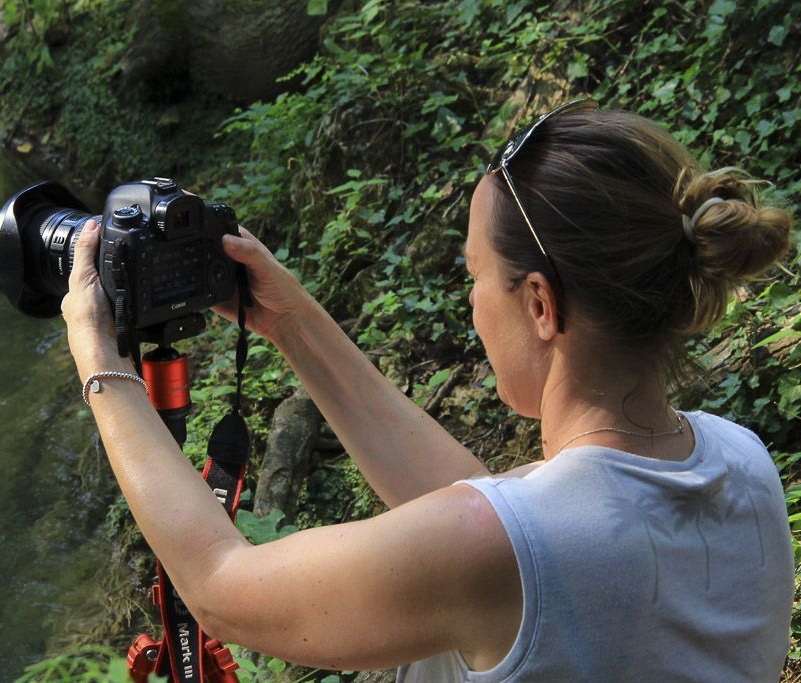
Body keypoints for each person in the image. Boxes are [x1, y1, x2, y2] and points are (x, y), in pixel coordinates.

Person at [60, 100, 795, 680]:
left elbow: (221, 588)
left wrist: (102, 361)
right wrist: (292, 324)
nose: (471, 303)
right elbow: (498, 514)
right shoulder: (742, 464)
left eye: (474, 275)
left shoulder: (505, 551)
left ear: (540, 305)